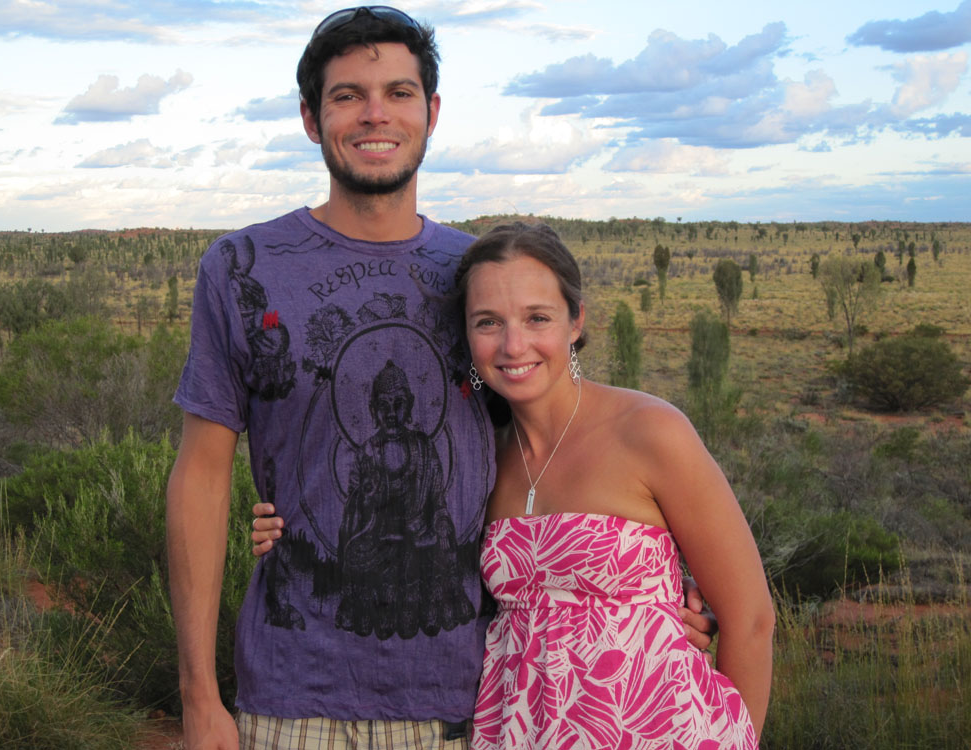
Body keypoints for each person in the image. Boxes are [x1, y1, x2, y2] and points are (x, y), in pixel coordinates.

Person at [167, 6, 717, 750]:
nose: (373, 114)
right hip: (295, 696)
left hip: (475, 701)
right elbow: (201, 475)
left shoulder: (478, 274)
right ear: (309, 117)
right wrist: (200, 697)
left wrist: (647, 593)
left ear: (431, 113)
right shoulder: (241, 269)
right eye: (346, 95)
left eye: (397, 93)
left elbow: (551, 445)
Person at [254, 223, 774, 748]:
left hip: (659, 728)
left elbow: (751, 619)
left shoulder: (649, 431)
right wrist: (282, 526)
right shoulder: (482, 461)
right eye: (488, 322)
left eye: (537, 318)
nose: (513, 345)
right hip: (519, 730)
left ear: (577, 321)